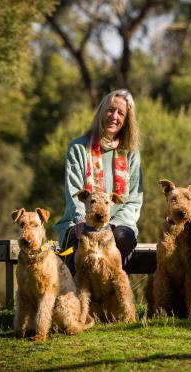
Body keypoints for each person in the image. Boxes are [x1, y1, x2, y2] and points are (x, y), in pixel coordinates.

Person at [55, 89, 143, 275]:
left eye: (121, 113)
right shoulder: (78, 148)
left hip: (118, 225)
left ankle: (108, 295)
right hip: (80, 222)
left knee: (121, 237)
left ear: (127, 120)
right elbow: (74, 195)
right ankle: (76, 296)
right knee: (79, 238)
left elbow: (134, 200)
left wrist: (111, 225)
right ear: (101, 111)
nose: (114, 116)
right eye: (110, 110)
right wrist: (84, 223)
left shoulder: (131, 154)